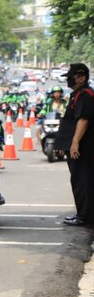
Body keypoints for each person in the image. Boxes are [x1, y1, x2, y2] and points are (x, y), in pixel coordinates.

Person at [56, 63, 94, 226]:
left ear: (82, 78)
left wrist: (75, 143)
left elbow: (83, 120)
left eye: (72, 78)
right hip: (79, 146)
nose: (69, 81)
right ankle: (82, 214)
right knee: (79, 180)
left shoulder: (85, 95)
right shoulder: (77, 94)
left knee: (82, 181)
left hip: (84, 147)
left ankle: (85, 217)